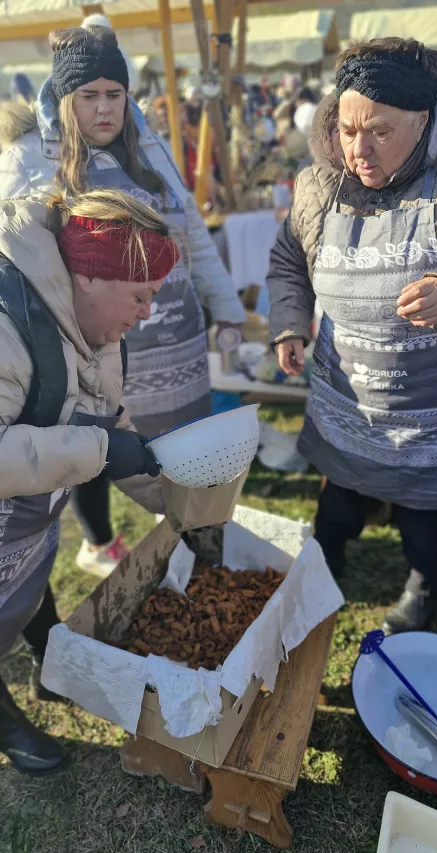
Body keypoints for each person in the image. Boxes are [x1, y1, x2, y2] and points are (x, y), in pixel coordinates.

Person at [0, 25, 245, 576]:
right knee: (92, 437)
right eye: (89, 96)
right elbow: (18, 251)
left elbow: (192, 235)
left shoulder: (150, 147)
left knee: (161, 449)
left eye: (116, 95)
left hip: (170, 338)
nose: (105, 110)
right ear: (64, 100)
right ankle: (100, 537)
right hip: (86, 344)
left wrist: (224, 304)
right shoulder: (32, 160)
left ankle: (190, 533)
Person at [268, 37, 437, 634]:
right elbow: (289, 259)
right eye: (347, 128)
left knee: (423, 508)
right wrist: (289, 321)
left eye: (380, 132)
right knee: (338, 501)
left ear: (423, 119)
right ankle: (324, 566)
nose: (358, 149)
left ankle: (423, 585)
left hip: (431, 408)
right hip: (349, 396)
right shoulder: (319, 185)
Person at [0, 187, 179, 775]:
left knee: (30, 586)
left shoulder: (94, 329)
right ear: (91, 278)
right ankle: (6, 720)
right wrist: (99, 451)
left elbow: (106, 417)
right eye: (141, 295)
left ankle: (54, 666)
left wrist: (170, 493)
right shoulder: (8, 331)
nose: (147, 312)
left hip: (26, 525)